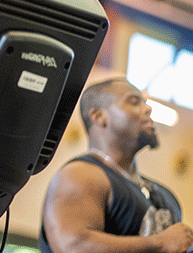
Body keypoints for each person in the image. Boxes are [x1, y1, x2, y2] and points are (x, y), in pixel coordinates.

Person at [40, 77, 193, 253]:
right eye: (134, 101)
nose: (148, 108)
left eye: (145, 102)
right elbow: (74, 247)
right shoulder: (81, 174)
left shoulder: (164, 194)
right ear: (99, 116)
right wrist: (159, 243)